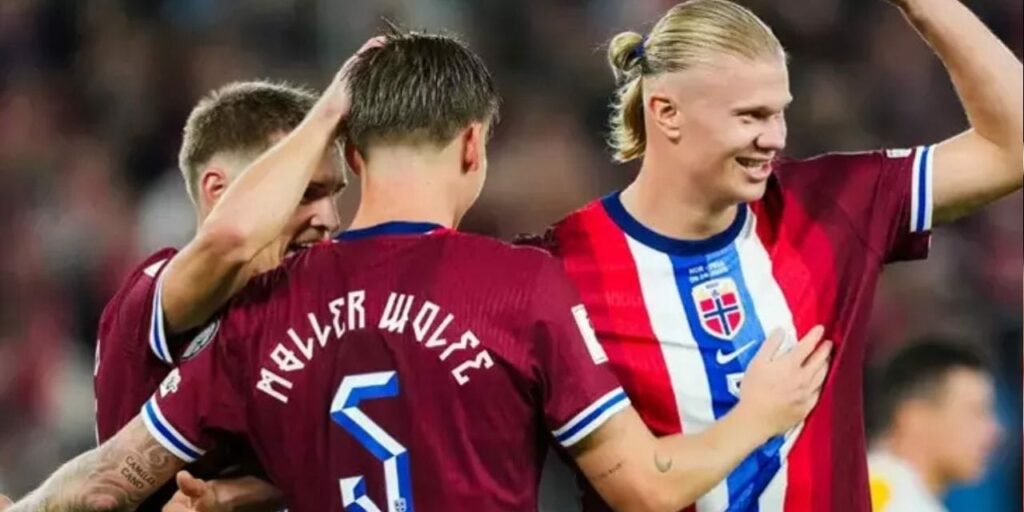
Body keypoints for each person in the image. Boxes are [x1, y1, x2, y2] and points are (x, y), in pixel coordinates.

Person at [2, 30, 832, 512]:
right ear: (473, 146)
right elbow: (644, 488)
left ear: (355, 157)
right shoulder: (520, 286)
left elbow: (108, 480)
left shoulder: (261, 311)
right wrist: (760, 414)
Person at [543, 0, 1022, 510]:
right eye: (751, 115)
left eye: (779, 112)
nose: (775, 138)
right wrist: (757, 416)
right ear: (666, 112)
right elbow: (638, 487)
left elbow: (1010, 148)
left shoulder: (831, 205)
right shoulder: (559, 270)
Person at [91, 38, 384, 511]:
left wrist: (228, 496)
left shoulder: (308, 315)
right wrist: (331, 109)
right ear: (218, 191)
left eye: (333, 194)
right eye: (305, 192)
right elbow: (231, 240)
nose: (330, 218)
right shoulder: (152, 296)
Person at [866, 339, 1001, 512]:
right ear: (914, 418)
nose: (994, 431)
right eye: (976, 412)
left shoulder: (860, 487)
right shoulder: (899, 505)